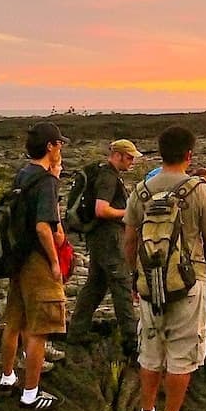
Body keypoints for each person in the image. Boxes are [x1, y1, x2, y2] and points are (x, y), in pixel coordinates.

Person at [125, 126, 206, 411]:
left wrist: (136, 275)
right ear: (189, 155)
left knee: (151, 351)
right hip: (189, 283)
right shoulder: (198, 190)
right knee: (182, 354)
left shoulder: (141, 190)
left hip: (149, 284)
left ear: (160, 152)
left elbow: (129, 240)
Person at [0, 122, 70, 411]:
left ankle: (7, 376)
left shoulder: (23, 175)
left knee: (14, 322)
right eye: (59, 144)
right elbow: (45, 227)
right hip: (38, 262)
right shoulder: (46, 181)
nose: (61, 149)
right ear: (51, 146)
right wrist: (54, 261)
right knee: (39, 330)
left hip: (18, 258)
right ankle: (31, 393)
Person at [68, 139, 143, 354]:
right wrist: (129, 213)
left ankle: (77, 332)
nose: (132, 162)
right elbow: (102, 209)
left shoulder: (104, 173)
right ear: (118, 155)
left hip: (99, 237)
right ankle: (130, 340)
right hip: (108, 237)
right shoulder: (108, 177)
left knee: (96, 285)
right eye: (129, 158)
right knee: (121, 283)